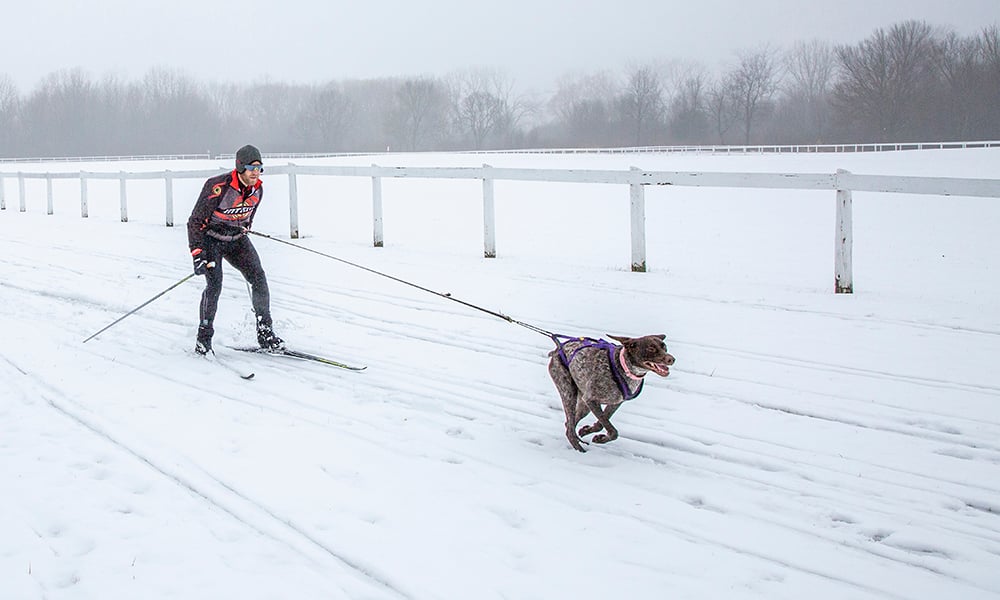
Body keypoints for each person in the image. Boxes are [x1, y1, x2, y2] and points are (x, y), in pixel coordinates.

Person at [187, 144, 284, 355]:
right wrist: (197, 254)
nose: (255, 173)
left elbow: (249, 214)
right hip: (211, 241)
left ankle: (266, 333)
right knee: (215, 286)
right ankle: (203, 340)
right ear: (240, 167)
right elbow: (194, 222)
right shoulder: (218, 187)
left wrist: (245, 227)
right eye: (251, 168)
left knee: (258, 278)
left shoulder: (258, 188)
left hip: (236, 240)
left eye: (259, 168)